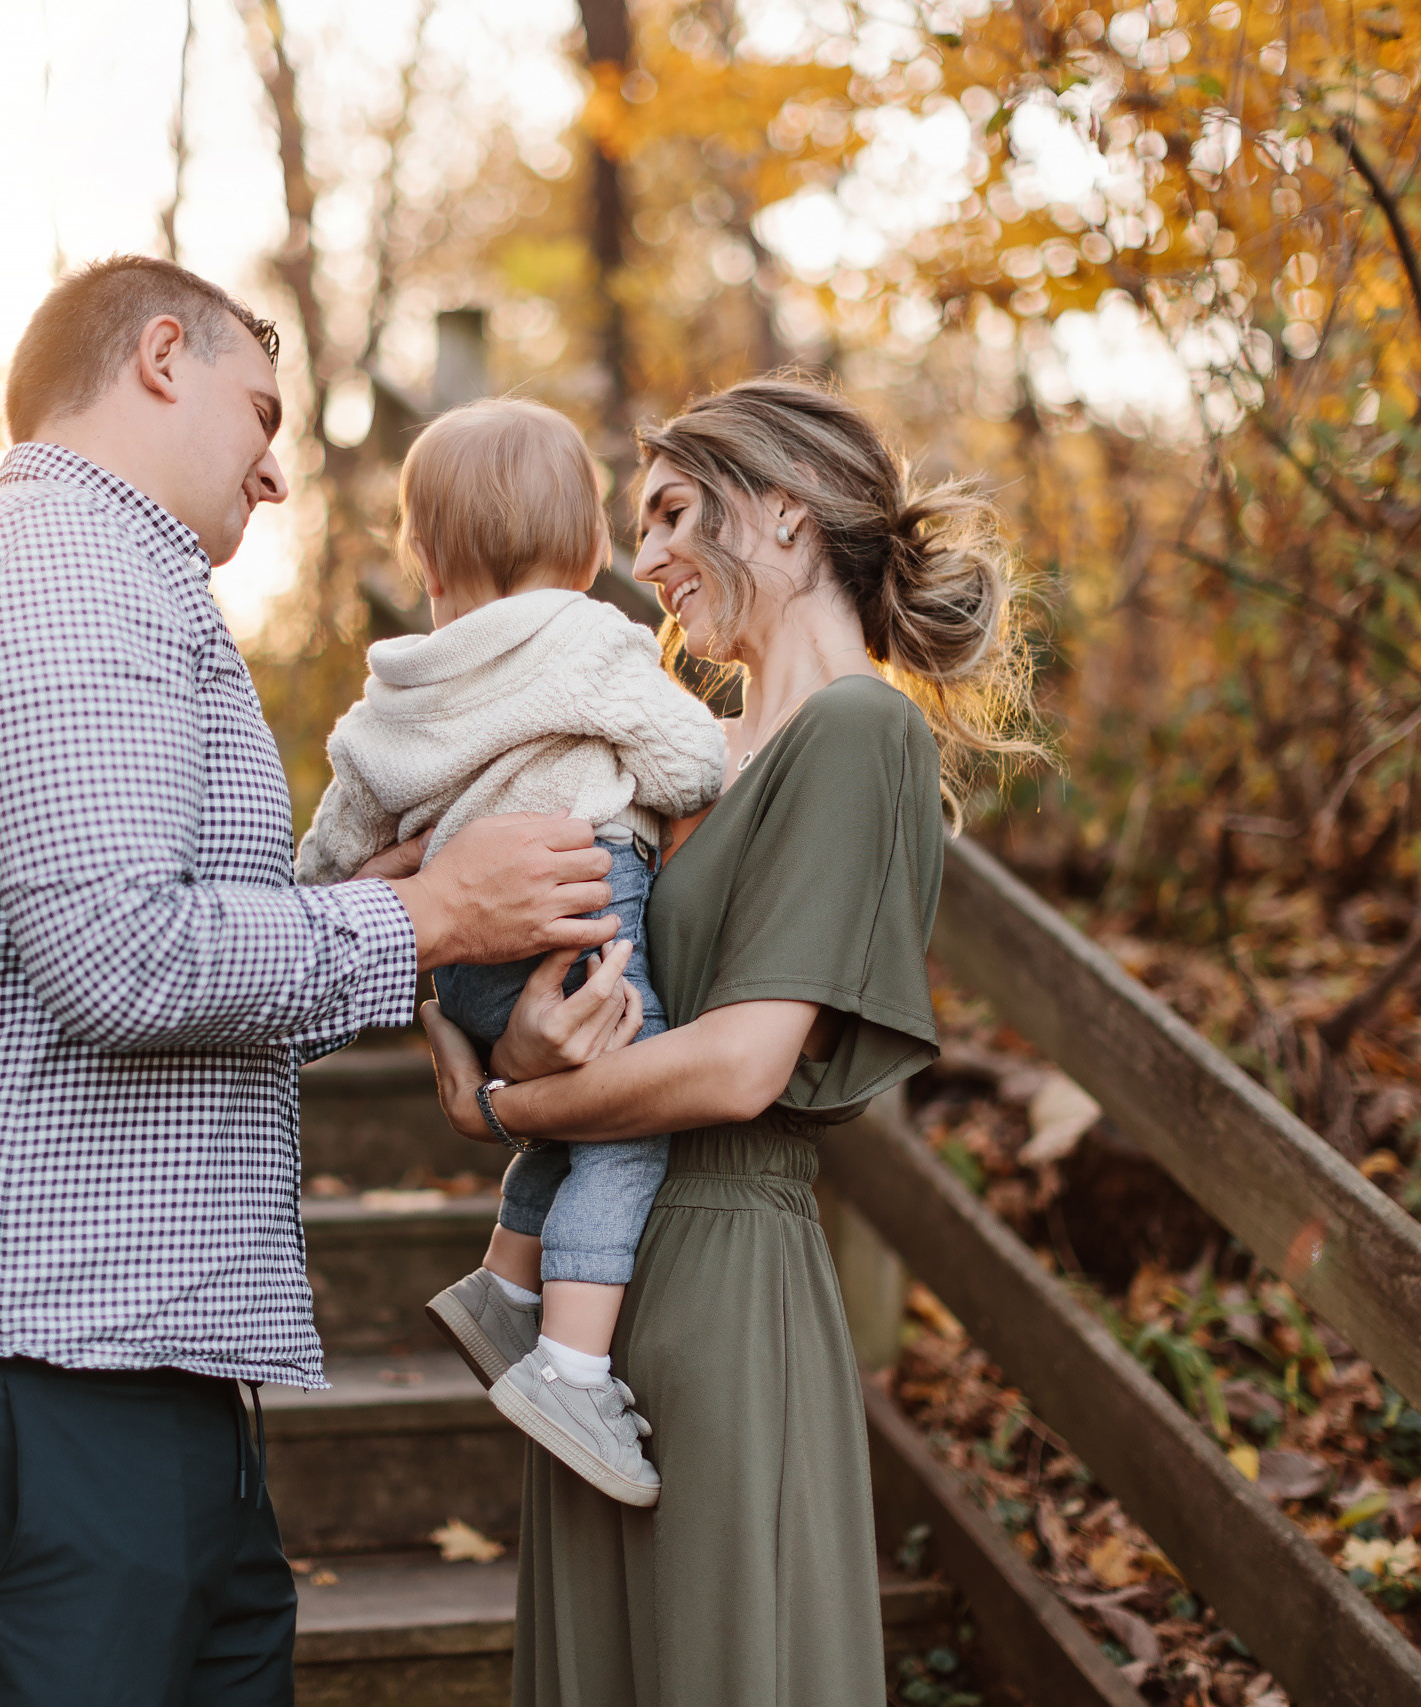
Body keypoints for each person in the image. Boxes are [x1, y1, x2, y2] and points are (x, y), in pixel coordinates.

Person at [0, 255, 623, 1707]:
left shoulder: (111, 582)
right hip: (11, 1376)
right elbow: (120, 958)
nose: (276, 471)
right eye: (261, 410)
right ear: (163, 356)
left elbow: (168, 957)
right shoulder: (54, 565)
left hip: (124, 1374)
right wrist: (428, 922)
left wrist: (395, 922)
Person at [419, 374, 1045, 1707]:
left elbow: (743, 1062)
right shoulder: (681, 756)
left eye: (670, 513)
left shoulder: (860, 729)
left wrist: (523, 1108)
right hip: (597, 1303)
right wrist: (518, 1040)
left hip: (721, 1275)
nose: (640, 561)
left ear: (781, 515)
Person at [293, 397, 725, 1506]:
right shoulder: (585, 637)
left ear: (426, 555)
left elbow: (340, 846)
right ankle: (574, 1372)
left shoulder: (400, 684)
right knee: (628, 1129)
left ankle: (503, 1284)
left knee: (569, 1130)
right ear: (588, 548)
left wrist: (347, 896)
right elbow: (687, 764)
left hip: (463, 955)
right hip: (582, 907)